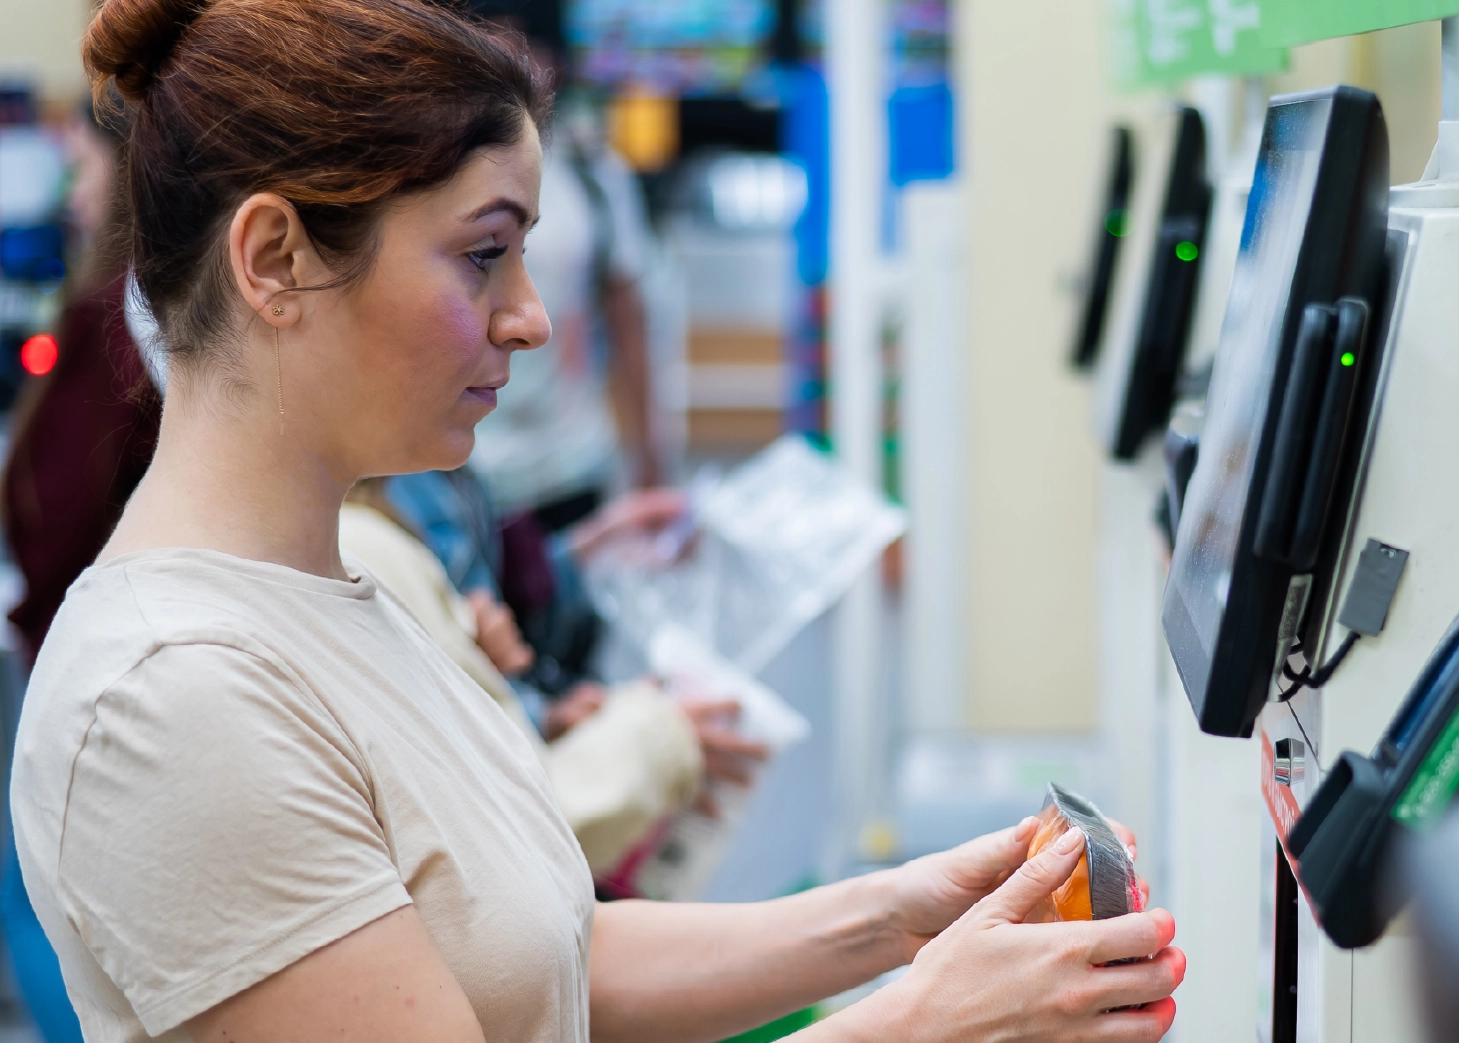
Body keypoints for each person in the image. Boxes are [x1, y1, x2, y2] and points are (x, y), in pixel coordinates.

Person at [10, 3, 1184, 1043]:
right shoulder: (170, 698)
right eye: (483, 257)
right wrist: (934, 1020)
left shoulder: (354, 597)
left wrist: (905, 912)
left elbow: (550, 953)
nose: (530, 321)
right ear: (274, 260)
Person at [339, 479, 761, 874]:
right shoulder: (363, 547)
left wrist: (525, 703)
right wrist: (665, 733)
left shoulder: (396, 507)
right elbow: (515, 835)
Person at [1, 93, 157, 1043]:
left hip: (86, 650)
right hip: (113, 650)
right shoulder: (145, 314)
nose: (76, 190)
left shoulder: (111, 317)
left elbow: (54, 517)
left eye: (91, 166)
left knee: (40, 891)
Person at [462, 0, 663, 529]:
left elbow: (628, 319)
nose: (513, 62)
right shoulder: (438, 166)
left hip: (570, 463)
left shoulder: (592, 171)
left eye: (527, 45)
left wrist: (649, 456)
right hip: (465, 464)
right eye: (492, 42)